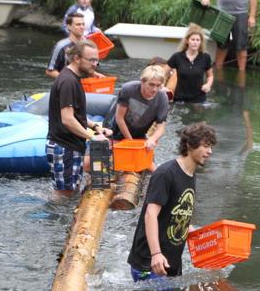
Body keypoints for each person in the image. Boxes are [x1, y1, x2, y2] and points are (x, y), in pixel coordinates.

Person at [126, 123, 217, 281]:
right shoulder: (165, 174)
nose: (210, 152)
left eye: (211, 147)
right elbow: (150, 214)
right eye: (206, 146)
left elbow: (176, 214)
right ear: (189, 145)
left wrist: (200, 238)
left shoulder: (190, 174)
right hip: (150, 262)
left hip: (171, 261)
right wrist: (156, 254)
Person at [46, 39, 113, 193]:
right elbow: (68, 119)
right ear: (76, 58)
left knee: (71, 189)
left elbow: (77, 116)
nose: (95, 64)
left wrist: (95, 126)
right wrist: (92, 137)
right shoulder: (68, 82)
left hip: (70, 146)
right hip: (64, 147)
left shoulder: (73, 79)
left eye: (97, 60)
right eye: (92, 60)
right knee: (65, 194)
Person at [111, 65, 170, 172]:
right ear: (142, 82)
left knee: (149, 166)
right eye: (151, 85)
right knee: (115, 164)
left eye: (158, 85)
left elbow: (161, 127)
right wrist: (130, 142)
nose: (155, 89)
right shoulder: (128, 89)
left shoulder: (162, 98)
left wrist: (152, 139)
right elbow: (119, 118)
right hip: (116, 131)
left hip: (139, 135)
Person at [166, 25, 214, 104]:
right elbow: (163, 73)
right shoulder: (177, 56)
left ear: (201, 42)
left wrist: (208, 85)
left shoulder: (206, 57)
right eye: (193, 39)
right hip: (180, 99)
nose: (195, 42)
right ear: (187, 41)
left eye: (198, 40)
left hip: (199, 99)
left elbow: (210, 76)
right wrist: (162, 87)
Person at [46, 13, 86, 79]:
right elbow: (50, 71)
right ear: (68, 26)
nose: (82, 27)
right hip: (67, 86)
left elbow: (95, 65)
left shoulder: (88, 44)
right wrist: (68, 80)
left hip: (86, 85)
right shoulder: (60, 46)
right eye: (78, 24)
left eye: (83, 24)